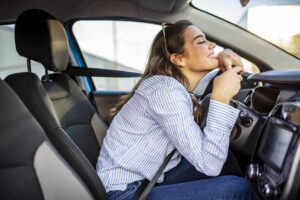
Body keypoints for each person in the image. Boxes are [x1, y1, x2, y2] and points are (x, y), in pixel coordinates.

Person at [96, 20, 254, 200]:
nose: (213, 45)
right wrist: (220, 98)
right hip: (127, 193)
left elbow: (202, 85)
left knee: (227, 160)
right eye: (201, 42)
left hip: (148, 178)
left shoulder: (176, 85)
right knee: (238, 188)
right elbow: (210, 165)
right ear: (179, 59)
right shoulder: (165, 90)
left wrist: (225, 55)